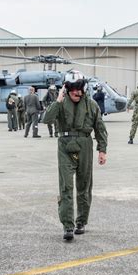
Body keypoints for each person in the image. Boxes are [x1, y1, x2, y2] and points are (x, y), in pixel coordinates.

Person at [43, 70, 108, 241]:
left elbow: (100, 128)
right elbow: (46, 119)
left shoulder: (92, 105)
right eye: (71, 89)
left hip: (85, 145)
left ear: (84, 88)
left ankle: (81, 222)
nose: (75, 92)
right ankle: (67, 226)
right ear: (66, 88)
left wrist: (102, 150)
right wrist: (58, 100)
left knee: (84, 186)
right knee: (66, 187)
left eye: (78, 88)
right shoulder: (61, 103)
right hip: (65, 145)